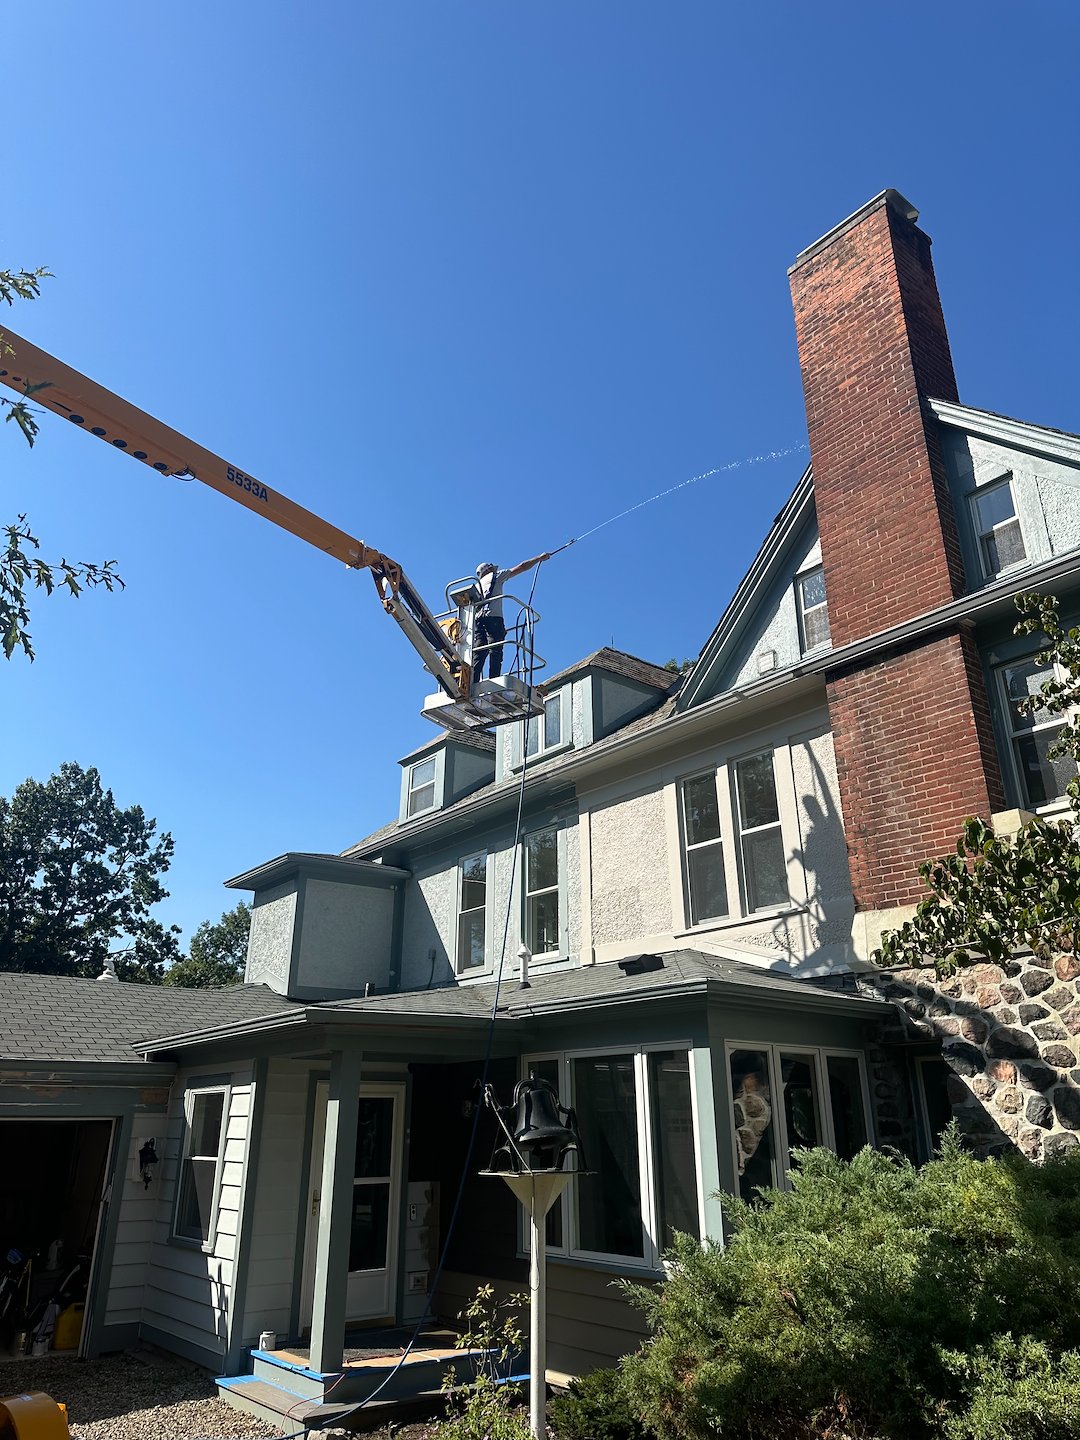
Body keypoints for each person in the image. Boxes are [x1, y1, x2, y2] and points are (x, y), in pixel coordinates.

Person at [472, 552, 550, 682]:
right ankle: (494, 682)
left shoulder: (476, 586)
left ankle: (472, 682)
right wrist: (539, 558)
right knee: (495, 651)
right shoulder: (495, 576)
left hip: (479, 621)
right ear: (489, 569)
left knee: (479, 651)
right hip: (494, 618)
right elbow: (521, 567)